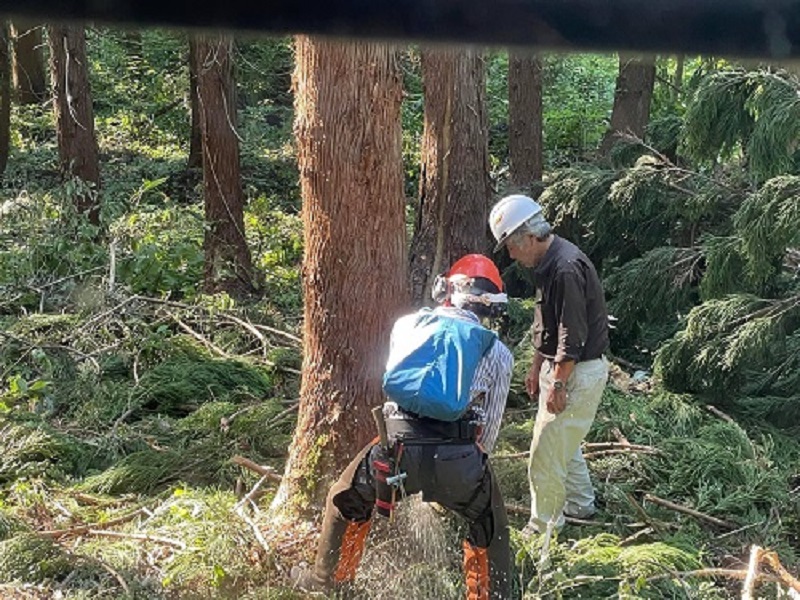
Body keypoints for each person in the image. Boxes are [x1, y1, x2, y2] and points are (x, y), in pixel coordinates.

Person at [293, 254, 514, 600]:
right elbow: (491, 427)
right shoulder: (497, 352)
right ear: (492, 307)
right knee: (492, 528)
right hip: (460, 460)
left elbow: (393, 386)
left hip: (395, 452)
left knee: (344, 498)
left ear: (445, 289)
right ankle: (495, 596)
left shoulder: (407, 325)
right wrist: (468, 470)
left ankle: (328, 583)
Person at [489, 194, 609, 537]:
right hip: (562, 367)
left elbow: (573, 335)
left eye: (511, 246)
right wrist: (536, 365)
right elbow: (548, 323)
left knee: (544, 453)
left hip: (576, 371)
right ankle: (581, 507)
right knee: (563, 445)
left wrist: (557, 383)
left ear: (529, 237)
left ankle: (543, 529)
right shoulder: (546, 263)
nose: (510, 255)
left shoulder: (565, 268)